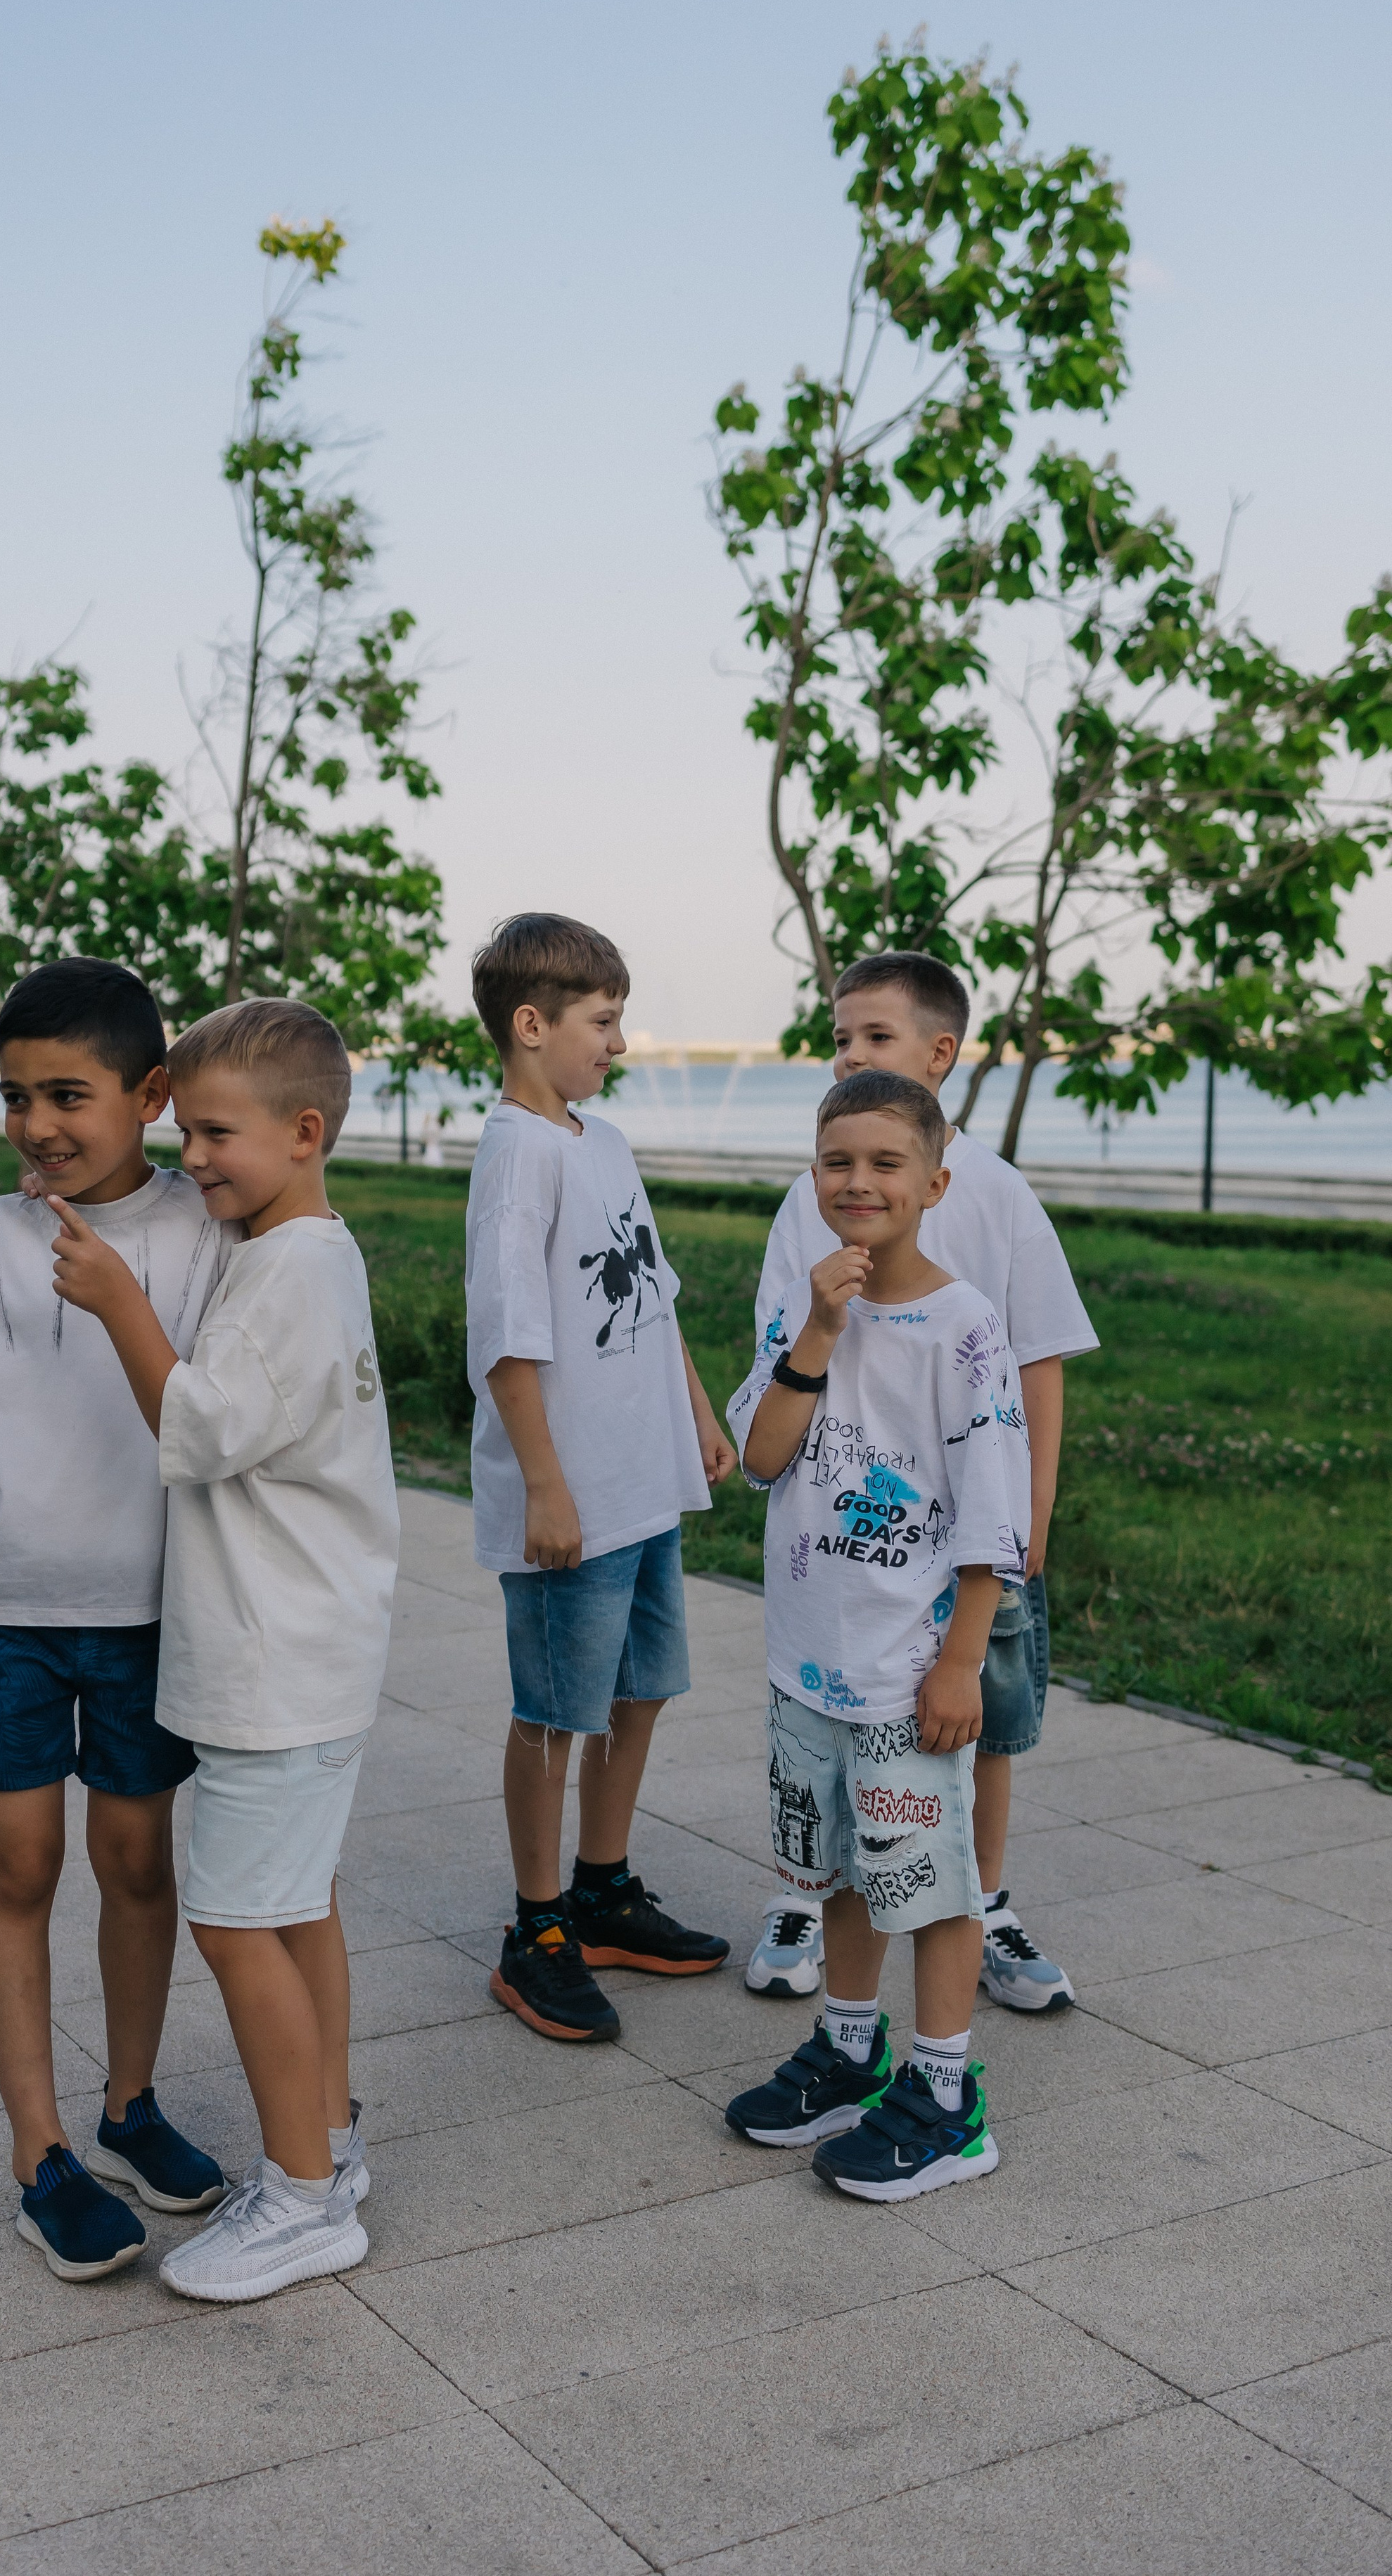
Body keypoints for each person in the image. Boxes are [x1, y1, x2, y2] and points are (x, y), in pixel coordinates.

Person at [0, 957, 231, 2283]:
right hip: (5, 1612)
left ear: (149, 1095)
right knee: (18, 1865)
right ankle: (42, 2155)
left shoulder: (203, 1237)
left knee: (139, 1864)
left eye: (69, 1095)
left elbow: (211, 1417)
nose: (38, 1124)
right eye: (16, 1096)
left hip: (148, 1614)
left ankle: (129, 2106)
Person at [49, 996, 397, 2302]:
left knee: (237, 1919)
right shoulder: (313, 1252)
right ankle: (331, 2149)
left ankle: (305, 2201)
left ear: (304, 1133)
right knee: (296, 1908)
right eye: (185, 1130)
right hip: (310, 1647)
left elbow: (195, 1427)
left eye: (214, 1134)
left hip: (274, 1659)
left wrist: (118, 1302)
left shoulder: (289, 1270)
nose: (191, 1157)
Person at [746, 952, 1096, 2015]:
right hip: (836, 1577)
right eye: (841, 1036)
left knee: (972, 1725)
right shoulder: (814, 1203)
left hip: (962, 1541)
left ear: (940, 1054)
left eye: (876, 1037)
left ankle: (983, 1905)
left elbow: (1034, 1357)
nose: (850, 1051)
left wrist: (1026, 1515)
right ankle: (808, 1902)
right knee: (831, 1761)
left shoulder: (990, 1194)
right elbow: (770, 1410)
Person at [724, 1067, 1030, 2197]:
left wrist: (962, 1661)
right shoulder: (808, 1310)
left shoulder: (961, 1327)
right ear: (813, 1176)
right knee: (842, 1867)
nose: (858, 1182)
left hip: (912, 1669)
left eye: (885, 1163)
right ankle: (852, 2052)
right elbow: (761, 1454)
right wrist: (816, 1326)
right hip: (811, 1660)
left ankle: (949, 2098)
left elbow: (994, 1511)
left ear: (934, 1182)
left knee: (931, 1882)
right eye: (837, 1161)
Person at [464, 912, 740, 2046]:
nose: (618, 1045)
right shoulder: (515, 1157)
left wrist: (697, 1406)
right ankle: (535, 1933)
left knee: (640, 1688)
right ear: (532, 1026)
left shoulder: (603, 1142)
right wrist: (544, 1483)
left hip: (642, 1481)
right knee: (553, 1711)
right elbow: (509, 1337)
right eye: (603, 1022)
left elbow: (653, 1291)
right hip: (570, 1494)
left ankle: (603, 1888)